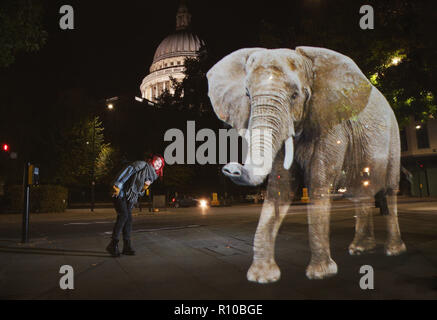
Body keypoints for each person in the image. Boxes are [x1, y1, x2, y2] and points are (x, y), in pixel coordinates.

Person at [106, 154, 164, 257]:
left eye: (160, 163)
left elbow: (139, 192)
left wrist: (144, 187)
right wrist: (117, 185)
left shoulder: (152, 176)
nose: (158, 164)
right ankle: (113, 244)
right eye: (157, 161)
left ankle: (126, 246)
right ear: (152, 160)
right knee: (123, 215)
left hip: (130, 197)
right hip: (120, 192)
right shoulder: (142, 164)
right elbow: (127, 171)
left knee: (129, 219)